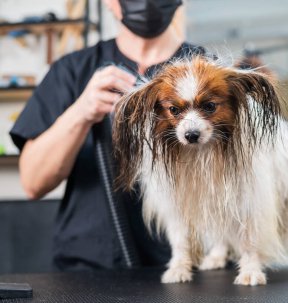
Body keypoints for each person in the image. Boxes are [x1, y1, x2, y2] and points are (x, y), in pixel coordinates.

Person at [9, 0, 205, 271]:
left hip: (189, 269)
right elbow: (32, 182)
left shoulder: (210, 78)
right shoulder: (73, 71)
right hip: (88, 270)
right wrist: (82, 112)